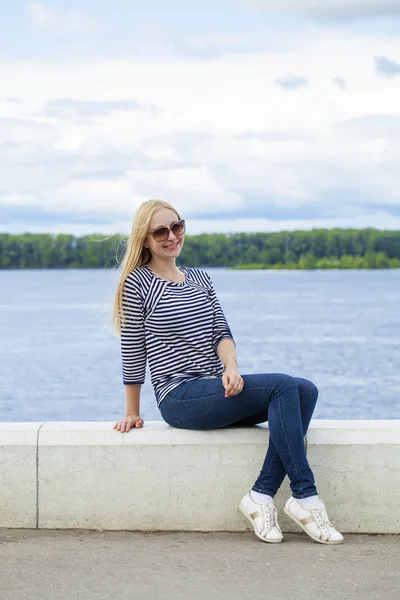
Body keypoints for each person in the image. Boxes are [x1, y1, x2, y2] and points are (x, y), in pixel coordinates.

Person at [112, 199, 343, 545]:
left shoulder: (200, 278)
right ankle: (306, 497)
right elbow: (132, 350)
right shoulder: (138, 283)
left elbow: (221, 330)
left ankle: (261, 496)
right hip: (178, 396)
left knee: (305, 390)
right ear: (145, 239)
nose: (172, 236)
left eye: (177, 226)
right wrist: (133, 411)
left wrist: (230, 367)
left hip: (214, 389)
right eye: (161, 231)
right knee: (282, 386)